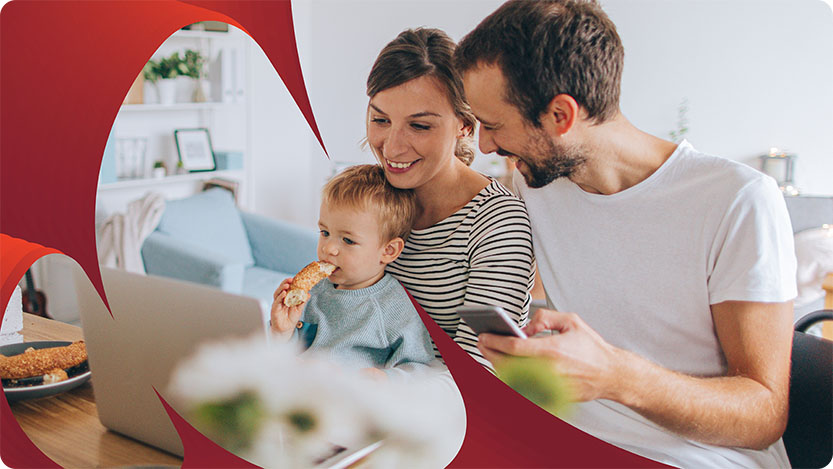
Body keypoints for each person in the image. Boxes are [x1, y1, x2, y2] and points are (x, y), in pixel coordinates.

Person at [454, 1, 797, 467]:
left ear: (560, 115)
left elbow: (764, 416)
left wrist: (614, 375)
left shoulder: (737, 199)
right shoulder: (534, 185)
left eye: (493, 126)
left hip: (699, 457)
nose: (486, 146)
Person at [365, 27, 536, 371]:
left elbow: (478, 373)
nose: (392, 147)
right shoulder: (369, 198)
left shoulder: (498, 224)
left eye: (420, 126)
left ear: (464, 125)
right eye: (380, 120)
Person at [270, 164, 435, 380]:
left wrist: (386, 379)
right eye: (325, 232)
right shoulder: (313, 293)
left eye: (348, 240)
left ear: (388, 250)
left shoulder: (393, 307)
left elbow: (420, 368)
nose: (328, 248)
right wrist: (282, 332)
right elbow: (284, 356)